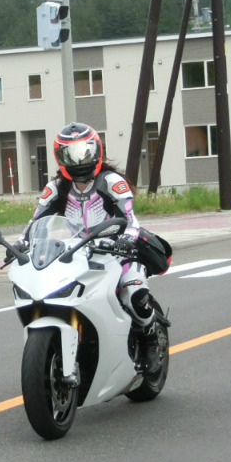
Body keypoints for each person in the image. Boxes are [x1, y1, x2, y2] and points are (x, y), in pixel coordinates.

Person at [22, 122, 162, 375]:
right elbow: (35, 222)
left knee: (135, 294)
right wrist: (22, 242)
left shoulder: (111, 182)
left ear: (96, 151)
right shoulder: (56, 188)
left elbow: (130, 219)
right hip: (76, 253)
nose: (78, 161)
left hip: (116, 251)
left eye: (83, 152)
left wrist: (126, 239)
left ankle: (150, 339)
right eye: (70, 154)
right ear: (60, 157)